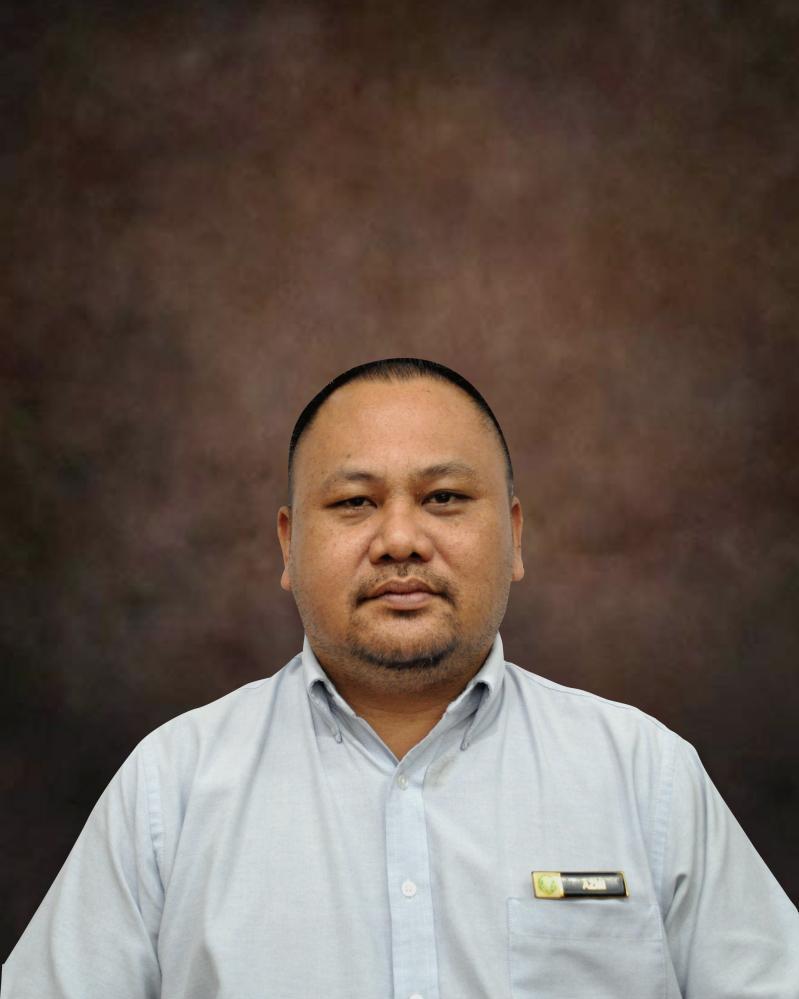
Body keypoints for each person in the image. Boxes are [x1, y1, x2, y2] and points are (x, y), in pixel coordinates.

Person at [2, 357, 797, 999]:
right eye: (354, 502)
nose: (399, 539)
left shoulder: (645, 775)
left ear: (513, 533)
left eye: (443, 497)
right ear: (287, 545)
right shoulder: (168, 790)